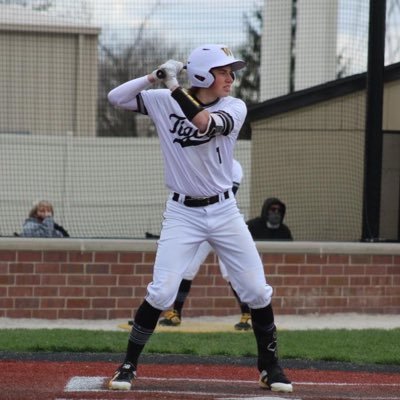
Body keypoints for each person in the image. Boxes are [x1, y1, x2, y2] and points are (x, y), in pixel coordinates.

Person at [107, 44, 293, 393]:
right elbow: (116, 98)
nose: (231, 78)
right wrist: (153, 77)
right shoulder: (163, 100)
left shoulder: (233, 107)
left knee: (256, 289)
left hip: (224, 211)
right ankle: (128, 365)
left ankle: (270, 367)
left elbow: (205, 123)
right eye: (223, 71)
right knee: (162, 293)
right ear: (204, 74)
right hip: (182, 212)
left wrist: (173, 86)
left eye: (230, 71)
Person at [158, 159, 252, 331]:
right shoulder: (199, 161)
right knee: (188, 269)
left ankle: (247, 315)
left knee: (231, 271)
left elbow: (226, 196)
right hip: (197, 221)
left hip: (225, 223)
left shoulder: (234, 166)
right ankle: (176, 314)